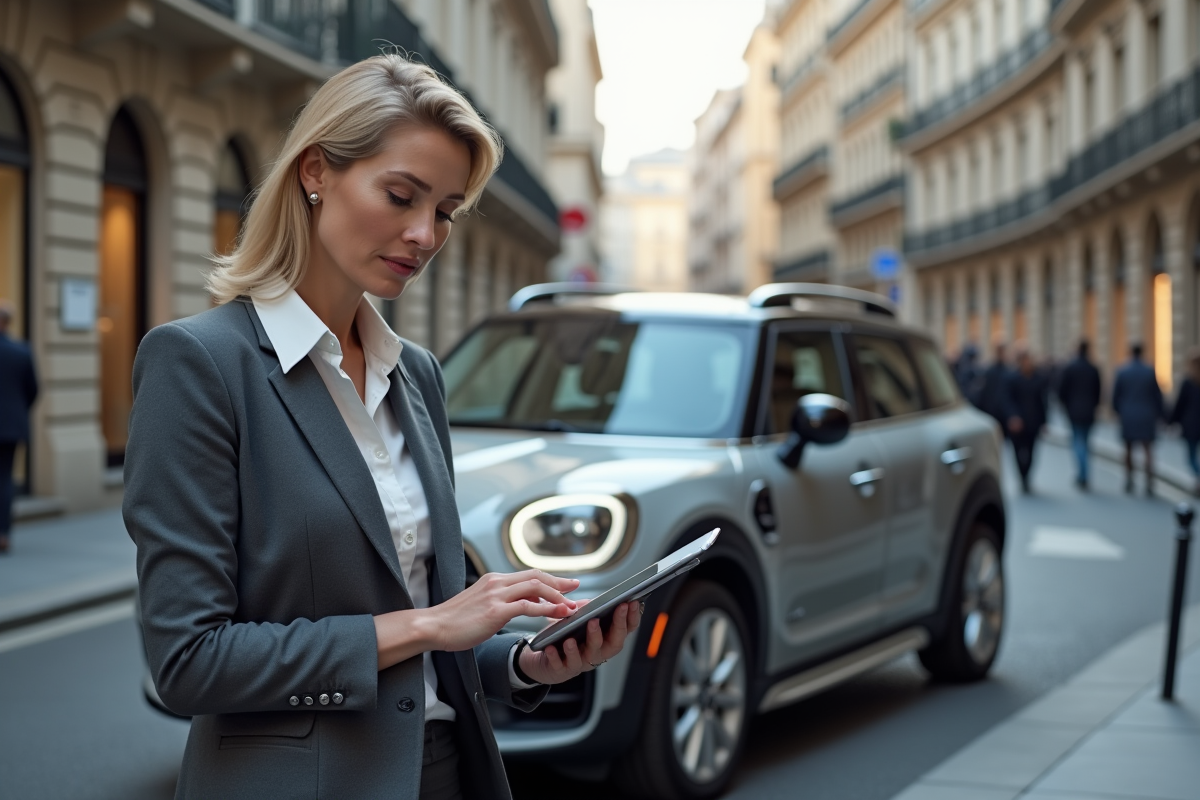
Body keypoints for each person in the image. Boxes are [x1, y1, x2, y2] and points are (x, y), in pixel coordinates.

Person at [123, 54, 641, 800]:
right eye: (401, 196)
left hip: (448, 776)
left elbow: (438, 641)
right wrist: (428, 625)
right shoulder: (199, 364)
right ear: (316, 172)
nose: (425, 234)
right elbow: (189, 662)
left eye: (446, 211)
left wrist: (525, 660)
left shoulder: (416, 373)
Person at [0, 300, 38, 554]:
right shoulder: (21, 351)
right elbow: (33, 390)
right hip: (11, 426)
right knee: (5, 479)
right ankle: (3, 534)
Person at [1112, 342, 1164, 496]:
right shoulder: (1149, 371)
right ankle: (1149, 482)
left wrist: (1119, 411)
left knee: (1128, 449)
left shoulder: (1122, 371)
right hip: (1147, 414)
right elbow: (1157, 396)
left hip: (1128, 414)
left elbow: (1115, 396)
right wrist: (1161, 415)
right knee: (1147, 449)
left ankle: (1129, 478)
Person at [1057, 339, 1102, 490]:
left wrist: (1065, 406)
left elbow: (1062, 390)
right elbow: (1098, 392)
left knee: (1077, 441)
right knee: (1086, 442)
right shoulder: (1093, 368)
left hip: (1074, 411)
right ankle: (1084, 474)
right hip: (1089, 411)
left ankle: (1082, 474)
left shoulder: (1070, 367)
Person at [1005, 346, 1048, 493]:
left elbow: (1042, 401)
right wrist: (1013, 416)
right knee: (1018, 451)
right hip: (1018, 422)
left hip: (1033, 421)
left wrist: (1044, 422)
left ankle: (1027, 476)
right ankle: (1022, 476)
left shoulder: (1038, 378)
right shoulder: (1012, 378)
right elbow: (1008, 400)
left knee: (1031, 452)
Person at [1169, 347, 1200, 496]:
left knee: (1191, 457)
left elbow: (1180, 404)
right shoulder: (1187, 382)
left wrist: (1171, 421)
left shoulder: (1188, 382)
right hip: (1192, 424)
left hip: (1192, 425)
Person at [978, 343, 1013, 433]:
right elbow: (985, 394)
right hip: (993, 413)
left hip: (1006, 415)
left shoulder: (1009, 371)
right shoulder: (990, 371)